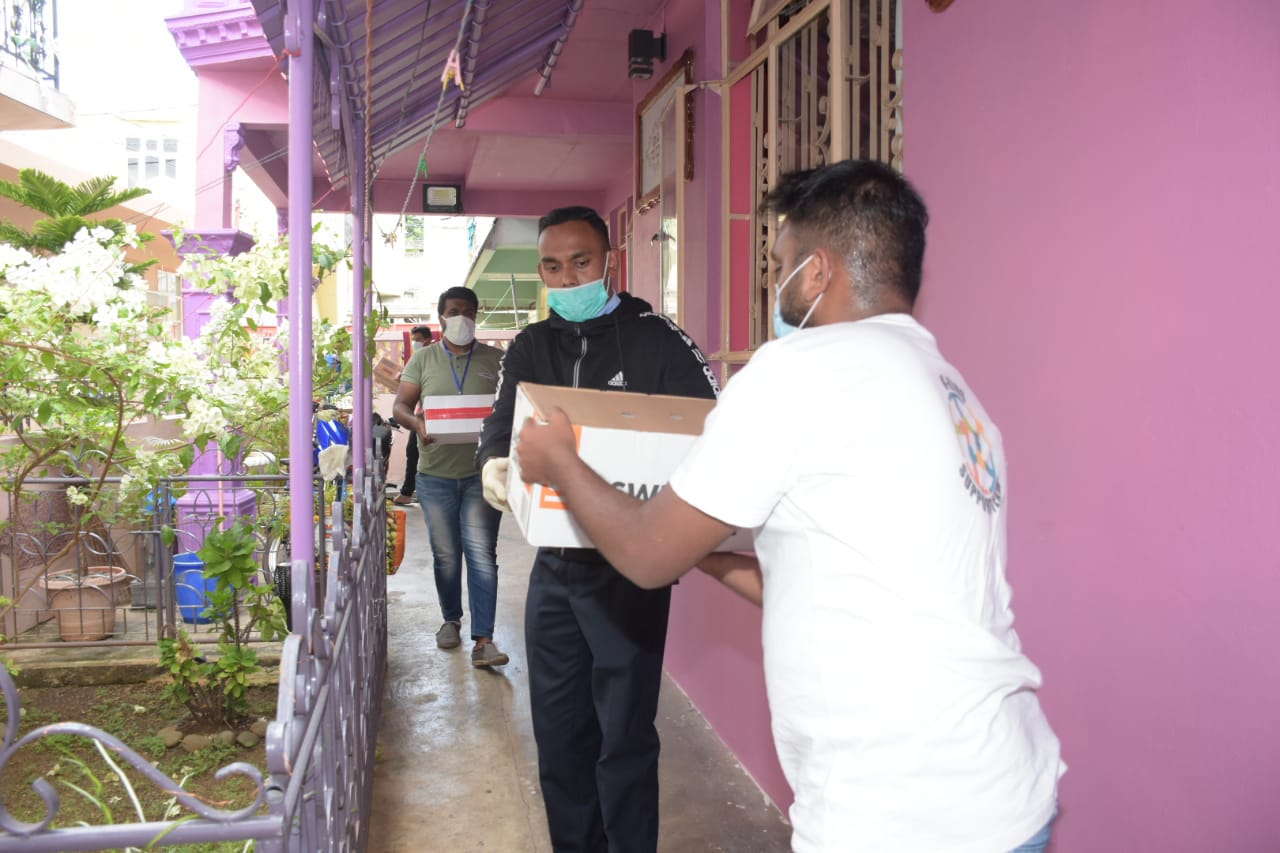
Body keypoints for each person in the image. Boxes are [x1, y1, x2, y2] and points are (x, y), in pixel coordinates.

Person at [512, 161, 1066, 853]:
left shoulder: (798, 371)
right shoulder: (952, 390)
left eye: (778, 263)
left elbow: (648, 557)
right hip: (1008, 788)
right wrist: (704, 549)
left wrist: (559, 461)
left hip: (898, 810)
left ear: (817, 271)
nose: (775, 282)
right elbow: (836, 582)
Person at [476, 206, 719, 853]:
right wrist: (495, 463)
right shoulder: (531, 347)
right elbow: (500, 424)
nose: (567, 278)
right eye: (553, 267)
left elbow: (709, 425)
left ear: (608, 261)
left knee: (626, 739)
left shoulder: (657, 339)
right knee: (560, 737)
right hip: (556, 571)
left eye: (580, 262)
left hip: (631, 572)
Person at [393, 289, 508, 667]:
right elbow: (400, 406)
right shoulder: (423, 359)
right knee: (445, 555)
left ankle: (484, 640)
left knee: (481, 554)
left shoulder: (497, 360)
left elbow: (512, 408)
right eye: (455, 311)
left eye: (469, 312)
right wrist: (417, 423)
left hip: (482, 474)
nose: (463, 318)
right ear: (441, 316)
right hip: (435, 475)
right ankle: (451, 620)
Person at [392, 325, 434, 505]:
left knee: (416, 451)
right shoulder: (419, 358)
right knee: (413, 451)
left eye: (418, 340)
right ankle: (408, 492)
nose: (415, 343)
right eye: (414, 340)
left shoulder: (433, 358)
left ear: (427, 339)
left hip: (432, 414)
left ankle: (409, 492)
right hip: (419, 414)